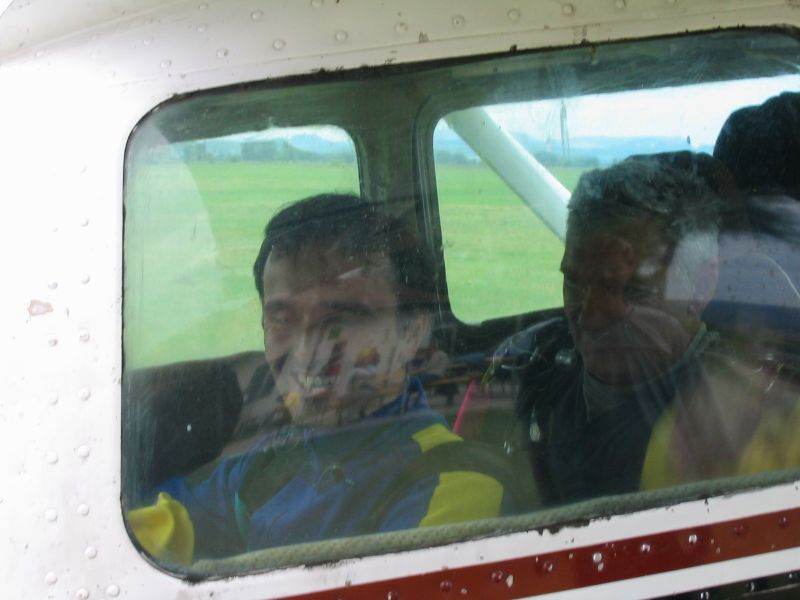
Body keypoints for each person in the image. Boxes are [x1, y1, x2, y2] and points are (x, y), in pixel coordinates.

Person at [129, 193, 515, 565]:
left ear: (411, 333)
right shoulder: (271, 461)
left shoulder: (457, 486)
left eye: (342, 320)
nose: (307, 352)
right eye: (282, 319)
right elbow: (155, 528)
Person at [516, 155, 732, 502]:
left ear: (701, 286)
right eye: (575, 283)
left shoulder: (727, 422)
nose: (589, 316)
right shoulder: (541, 372)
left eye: (626, 290)